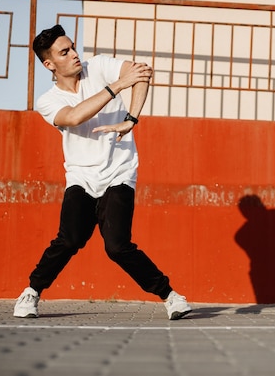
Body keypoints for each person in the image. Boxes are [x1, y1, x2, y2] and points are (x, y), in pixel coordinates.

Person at [13, 24, 191, 320]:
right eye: (64, 52)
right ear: (49, 64)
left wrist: (131, 118)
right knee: (69, 240)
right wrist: (118, 86)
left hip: (119, 171)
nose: (74, 54)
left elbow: (141, 73)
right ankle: (31, 293)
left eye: (72, 47)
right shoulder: (48, 101)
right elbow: (73, 116)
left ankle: (171, 296)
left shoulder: (97, 66)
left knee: (117, 246)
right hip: (81, 177)